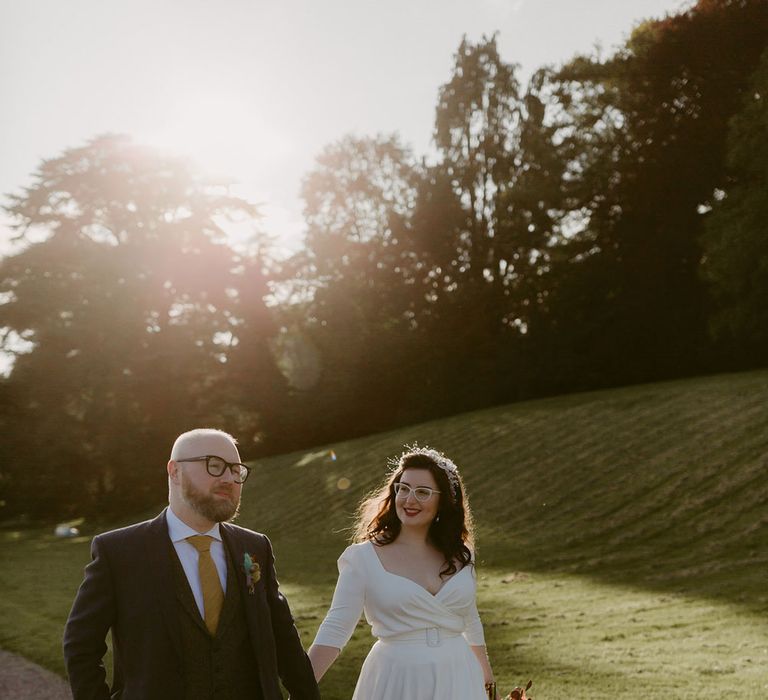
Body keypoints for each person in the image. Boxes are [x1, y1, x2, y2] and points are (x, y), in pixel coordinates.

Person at [63, 428, 320, 700]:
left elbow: (284, 638)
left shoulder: (255, 547)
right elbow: (81, 646)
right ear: (175, 471)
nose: (229, 478)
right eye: (215, 465)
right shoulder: (119, 551)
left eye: (236, 470)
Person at [308, 445, 497, 700]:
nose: (409, 500)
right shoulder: (363, 558)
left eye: (423, 492)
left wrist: (485, 673)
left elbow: (468, 616)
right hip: (397, 677)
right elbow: (336, 626)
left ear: (443, 500)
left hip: (459, 675)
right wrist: (302, 688)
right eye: (403, 488)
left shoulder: (461, 554)